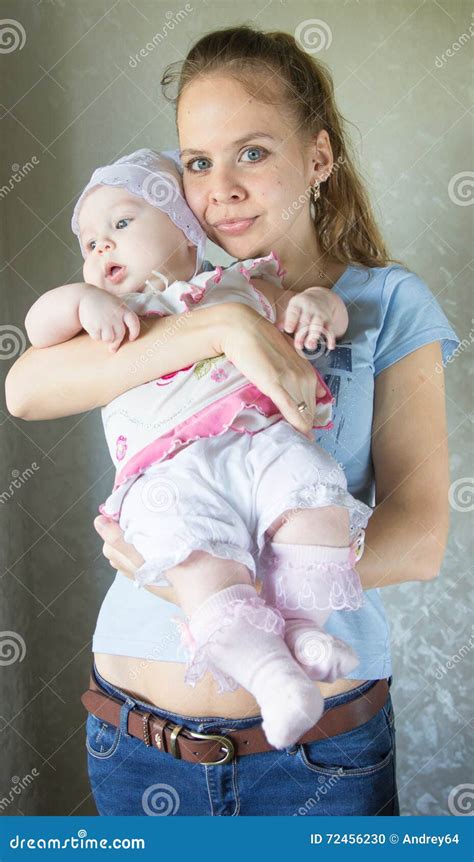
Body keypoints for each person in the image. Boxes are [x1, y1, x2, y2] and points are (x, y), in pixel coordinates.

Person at [5, 26, 460, 816]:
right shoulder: (168, 292)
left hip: (321, 752)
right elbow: (28, 387)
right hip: (136, 736)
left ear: (318, 158)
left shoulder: (386, 304)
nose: (220, 188)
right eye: (197, 162)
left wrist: (188, 582)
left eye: (251, 152)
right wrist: (224, 330)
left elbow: (420, 541)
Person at [24, 147, 372, 750]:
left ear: (187, 233)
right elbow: (35, 338)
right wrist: (81, 302)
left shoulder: (241, 283)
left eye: (122, 224)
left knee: (314, 490)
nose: (101, 246)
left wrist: (320, 306)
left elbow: (310, 306)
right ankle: (272, 677)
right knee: (197, 561)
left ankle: (302, 628)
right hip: (168, 476)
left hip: (259, 441)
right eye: (88, 242)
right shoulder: (113, 316)